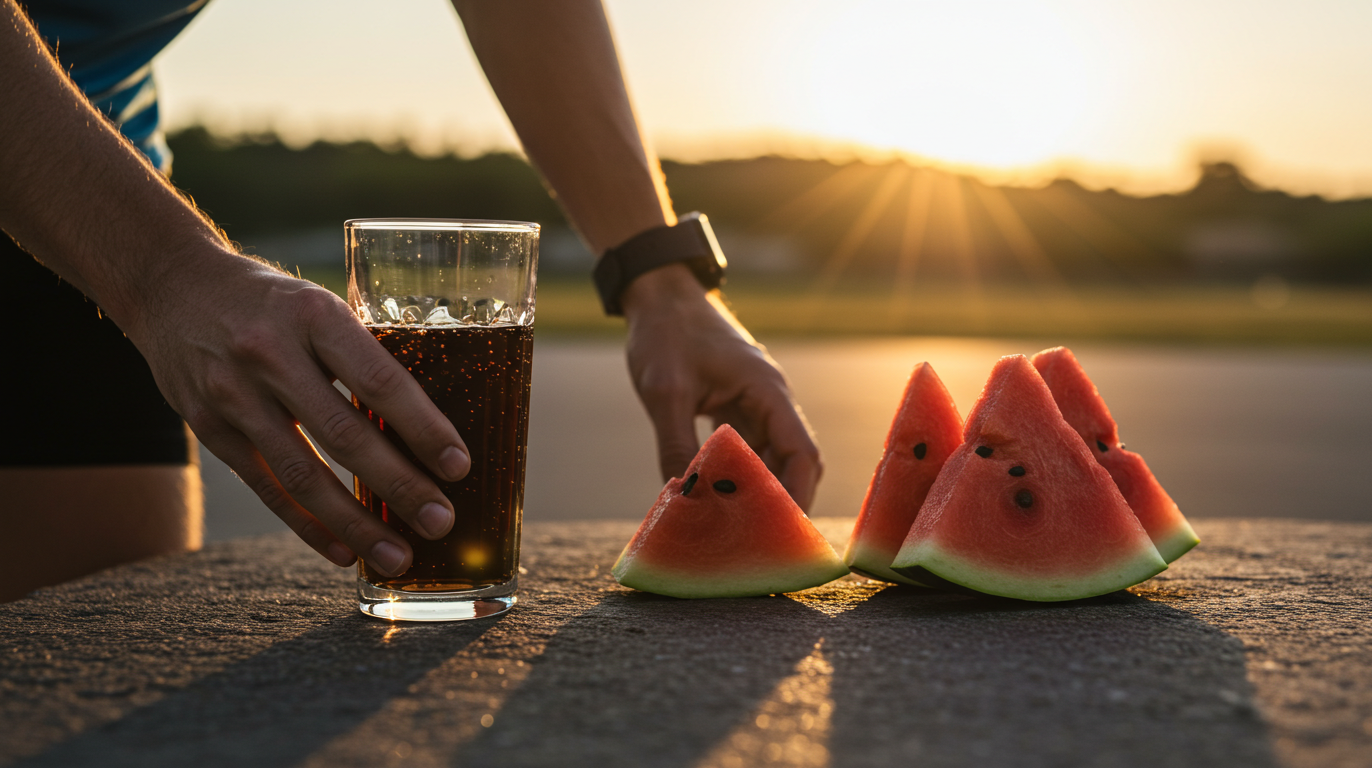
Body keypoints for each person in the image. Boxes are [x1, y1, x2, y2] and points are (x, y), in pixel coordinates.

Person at [0, 0, 822, 601]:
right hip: (103, 209)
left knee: (94, 650)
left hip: (83, 185)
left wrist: (659, 275)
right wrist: (165, 270)